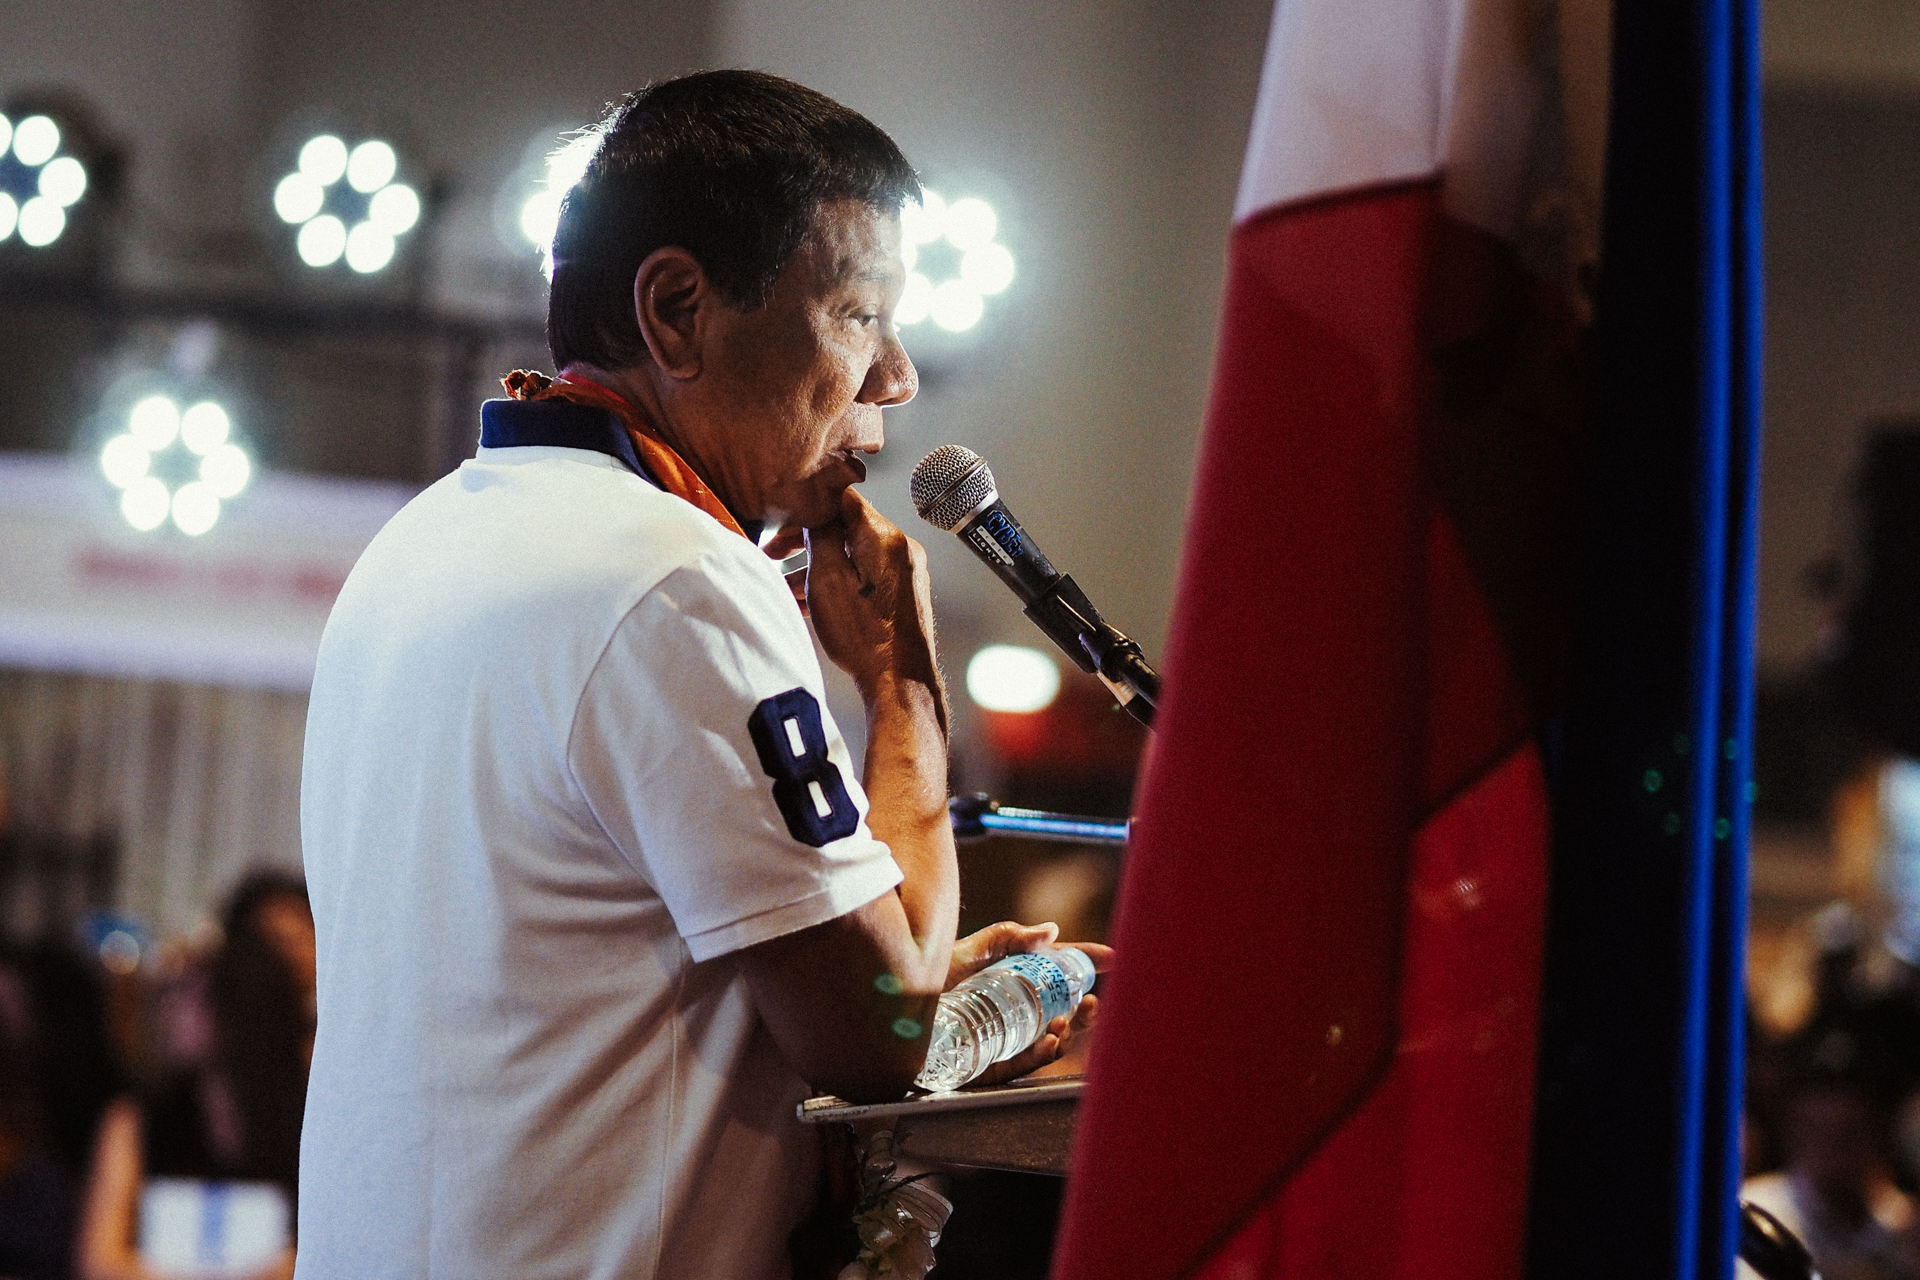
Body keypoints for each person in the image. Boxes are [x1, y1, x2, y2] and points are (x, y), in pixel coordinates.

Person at [296, 70, 1102, 1280]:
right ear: (677, 309)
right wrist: (903, 692)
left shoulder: (420, 542)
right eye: (858, 315)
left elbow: (585, 980)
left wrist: (917, 962)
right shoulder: (676, 573)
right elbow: (873, 1033)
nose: (897, 378)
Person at [77, 873, 315, 1280]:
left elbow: (325, 1250)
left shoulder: (306, 1122)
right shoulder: (138, 1118)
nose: (172, 1011)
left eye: (193, 997)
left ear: (241, 1011)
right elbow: (99, 1258)